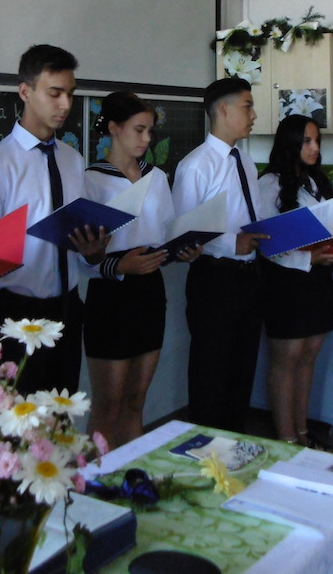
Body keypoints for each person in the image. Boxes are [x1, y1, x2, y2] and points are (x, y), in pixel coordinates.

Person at [0, 44, 107, 394]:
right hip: (17, 315)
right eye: (55, 93)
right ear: (25, 92)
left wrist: (93, 254)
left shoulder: (73, 160)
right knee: (19, 421)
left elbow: (80, 248)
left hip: (69, 309)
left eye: (70, 93)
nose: (66, 104)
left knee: (62, 414)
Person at [84, 92, 200, 449]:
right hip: (109, 297)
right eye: (139, 130)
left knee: (136, 399)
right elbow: (80, 258)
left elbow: (165, 234)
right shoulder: (91, 179)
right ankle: (97, 477)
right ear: (114, 128)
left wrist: (183, 251)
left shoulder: (158, 178)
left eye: (150, 131)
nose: (147, 139)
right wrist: (119, 265)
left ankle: (133, 471)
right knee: (108, 402)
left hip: (149, 291)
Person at [174, 76, 268, 433]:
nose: (254, 115)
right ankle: (206, 453)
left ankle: (234, 448)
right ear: (224, 110)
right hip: (214, 280)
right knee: (211, 375)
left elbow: (252, 217)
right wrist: (231, 244)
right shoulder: (196, 166)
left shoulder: (246, 161)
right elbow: (183, 234)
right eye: (248, 106)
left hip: (250, 277)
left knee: (242, 374)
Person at [256, 114, 333, 449]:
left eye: (317, 141)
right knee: (287, 358)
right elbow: (266, 244)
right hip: (286, 282)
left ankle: (303, 431)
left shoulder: (316, 180)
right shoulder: (270, 183)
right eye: (306, 141)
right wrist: (308, 259)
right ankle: (287, 438)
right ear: (290, 143)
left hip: (318, 279)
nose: (314, 147)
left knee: (309, 354)